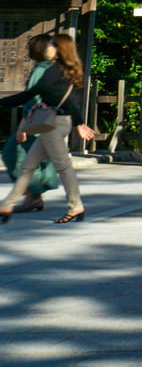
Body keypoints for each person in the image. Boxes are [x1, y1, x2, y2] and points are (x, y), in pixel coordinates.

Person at [1, 33, 93, 224]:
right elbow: (71, 102)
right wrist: (78, 124)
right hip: (56, 122)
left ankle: (76, 207)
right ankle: (7, 204)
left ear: (59, 49)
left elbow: (32, 94)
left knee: (63, 167)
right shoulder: (66, 70)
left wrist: (2, 102)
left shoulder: (53, 70)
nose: (47, 48)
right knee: (27, 166)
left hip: (54, 125)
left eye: (51, 45)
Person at [1, 36, 63, 215]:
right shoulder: (52, 69)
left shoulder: (42, 70)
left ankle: (33, 194)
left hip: (34, 121)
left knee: (13, 155)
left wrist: (23, 125)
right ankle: (33, 195)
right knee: (34, 159)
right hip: (46, 121)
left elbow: (34, 100)